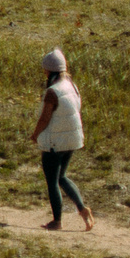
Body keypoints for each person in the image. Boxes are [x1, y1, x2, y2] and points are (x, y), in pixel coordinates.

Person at [32, 49, 94, 231]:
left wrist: (35, 135)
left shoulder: (53, 91)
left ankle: (56, 221)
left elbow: (45, 118)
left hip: (55, 141)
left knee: (52, 181)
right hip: (72, 139)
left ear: (50, 71)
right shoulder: (72, 86)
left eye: (45, 70)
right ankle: (83, 209)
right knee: (62, 177)